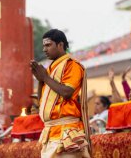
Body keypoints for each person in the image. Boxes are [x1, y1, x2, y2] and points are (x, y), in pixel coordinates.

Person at [30, 29, 91, 158]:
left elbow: (67, 92)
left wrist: (45, 78)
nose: (44, 49)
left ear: (60, 45)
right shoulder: (51, 68)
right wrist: (40, 81)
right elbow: (42, 104)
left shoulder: (72, 65)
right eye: (43, 46)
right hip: (50, 132)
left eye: (48, 45)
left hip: (67, 132)